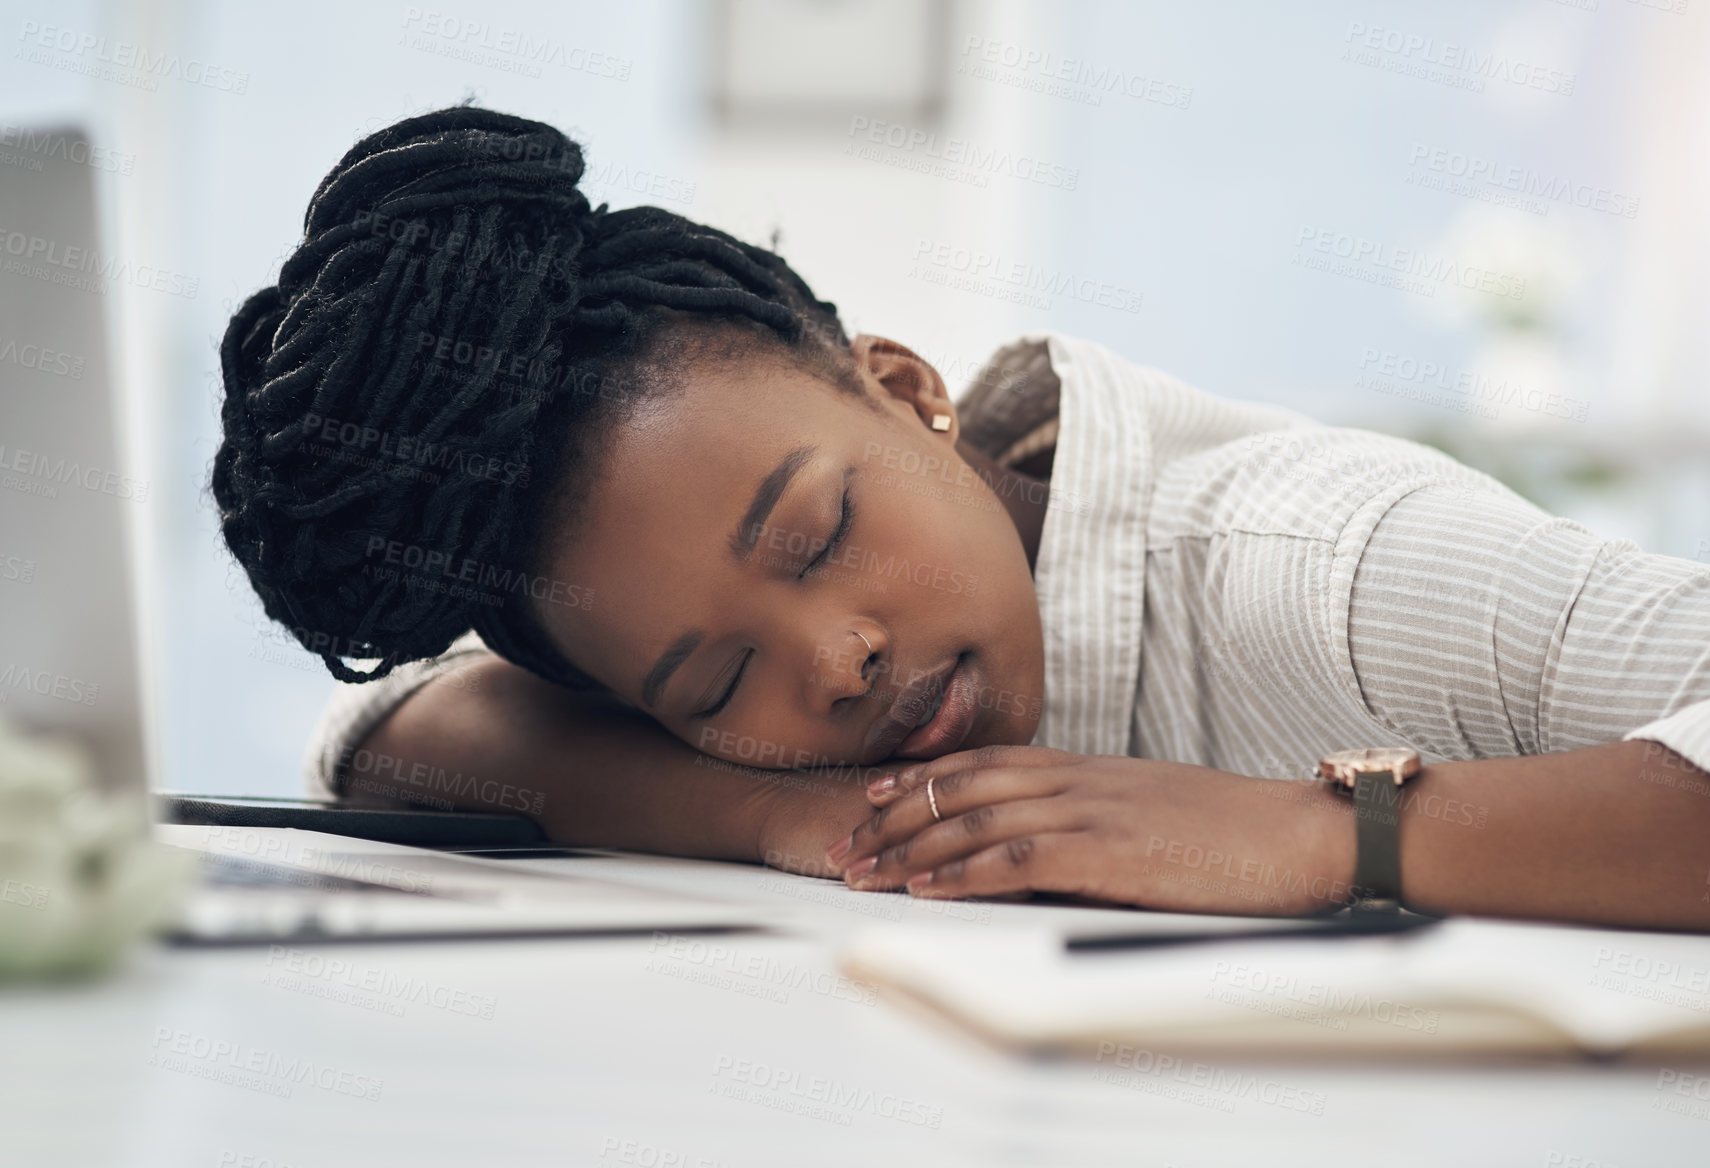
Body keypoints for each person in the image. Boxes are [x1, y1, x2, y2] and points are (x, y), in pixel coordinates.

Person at [215, 106, 1710, 930]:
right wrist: (777, 813)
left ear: (902, 386)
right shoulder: (809, 753)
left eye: (809, 539)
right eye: (714, 684)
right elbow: (396, 738)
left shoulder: (1319, 564)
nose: (837, 660)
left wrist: (1325, 839)